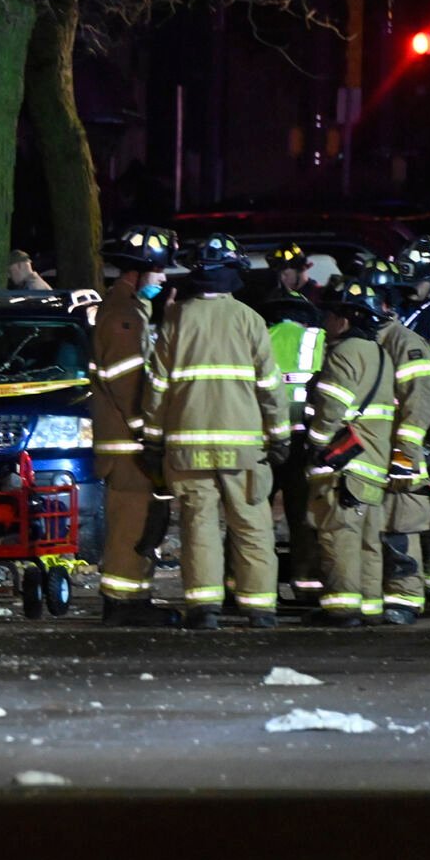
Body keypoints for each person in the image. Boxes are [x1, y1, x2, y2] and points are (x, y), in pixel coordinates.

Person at [141, 232, 290, 629]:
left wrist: (153, 440)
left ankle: (204, 608)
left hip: (188, 450)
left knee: (198, 526)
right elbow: (270, 388)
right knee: (252, 525)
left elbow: (158, 388)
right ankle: (260, 608)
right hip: (243, 450)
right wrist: (279, 437)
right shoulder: (249, 320)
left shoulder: (177, 320)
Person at [92, 226, 182, 627]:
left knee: (144, 521)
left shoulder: (132, 311)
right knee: (132, 521)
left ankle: (133, 598)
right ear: (138, 272)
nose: (163, 280)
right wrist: (146, 431)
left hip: (128, 442)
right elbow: (128, 384)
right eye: (159, 272)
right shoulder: (124, 318)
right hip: (128, 445)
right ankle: (123, 603)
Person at [301, 279, 396, 626]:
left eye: (330, 313)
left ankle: (341, 609)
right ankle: (369, 607)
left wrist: (316, 440)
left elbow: (331, 408)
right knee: (368, 541)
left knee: (339, 536)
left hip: (345, 465)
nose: (325, 320)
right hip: (373, 464)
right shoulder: (380, 355)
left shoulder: (343, 354)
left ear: (346, 318)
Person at [363, 260, 430, 624]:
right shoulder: (363, 340)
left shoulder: (405, 344)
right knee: (371, 525)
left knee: (400, 524)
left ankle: (405, 597)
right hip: (368, 452)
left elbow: (419, 403)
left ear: (388, 303)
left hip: (397, 452)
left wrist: (405, 454)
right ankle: (376, 594)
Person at [260, 291, 326, 603]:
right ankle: (307, 585)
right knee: (303, 517)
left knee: (255, 517)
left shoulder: (259, 336)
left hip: (265, 442)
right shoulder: (318, 339)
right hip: (305, 441)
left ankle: (247, 586)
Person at [264, 243, 323, 310]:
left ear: (302, 268)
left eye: (285, 274)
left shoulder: (320, 296)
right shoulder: (276, 297)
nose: (282, 278)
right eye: (280, 275)